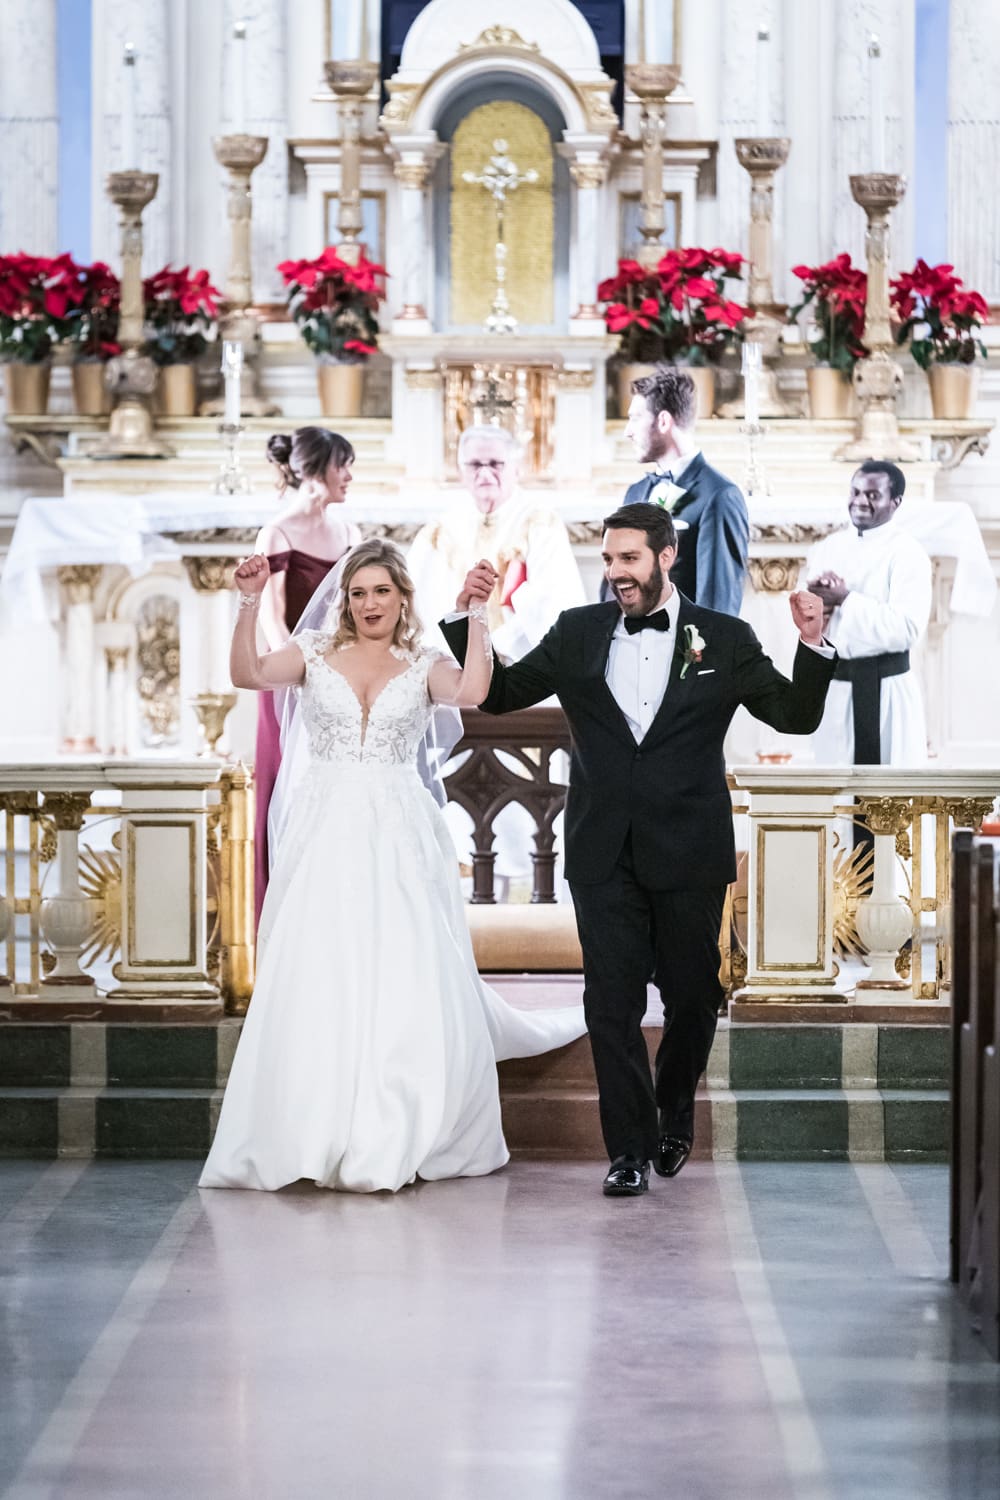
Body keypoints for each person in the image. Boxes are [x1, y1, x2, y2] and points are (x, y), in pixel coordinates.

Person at [441, 503, 835, 1198]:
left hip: (690, 848)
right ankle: (626, 1150)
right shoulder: (577, 632)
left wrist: (813, 643)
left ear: (666, 555)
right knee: (610, 1002)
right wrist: (471, 616)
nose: (616, 572)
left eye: (629, 559)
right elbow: (499, 695)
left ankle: (673, 1110)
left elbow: (795, 715)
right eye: (609, 559)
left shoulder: (725, 637)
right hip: (602, 850)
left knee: (693, 995)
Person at [201, 539, 585, 1193]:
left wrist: (478, 613)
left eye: (381, 591)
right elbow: (249, 674)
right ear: (344, 601)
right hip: (325, 827)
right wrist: (247, 600)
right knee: (324, 962)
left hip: (400, 826)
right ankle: (311, 1121)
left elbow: (473, 690)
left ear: (402, 597)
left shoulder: (423, 660)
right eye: (358, 592)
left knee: (403, 959)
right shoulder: (314, 653)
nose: (369, 603)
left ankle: (401, 1116)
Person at [253, 427, 361, 925]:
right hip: (290, 680)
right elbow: (271, 615)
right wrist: (297, 670)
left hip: (341, 678)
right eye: (343, 465)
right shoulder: (278, 532)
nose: (350, 476)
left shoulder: (349, 532)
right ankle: (284, 920)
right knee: (288, 790)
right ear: (317, 469)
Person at [407, 424, 585, 660]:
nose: (485, 473)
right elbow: (422, 598)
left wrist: (495, 647)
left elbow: (551, 597)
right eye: (474, 465)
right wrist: (459, 649)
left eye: (495, 464)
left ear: (516, 469)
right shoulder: (441, 529)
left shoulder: (539, 521)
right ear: (461, 471)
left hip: (519, 662)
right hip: (456, 662)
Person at [805, 459, 931, 765]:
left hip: (886, 690)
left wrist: (845, 599)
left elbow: (906, 629)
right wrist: (818, 607)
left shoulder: (907, 553)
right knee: (839, 801)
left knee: (888, 800)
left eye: (873, 495)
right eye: (855, 491)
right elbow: (808, 622)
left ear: (895, 502)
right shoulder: (826, 548)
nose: (860, 501)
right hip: (835, 690)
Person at [618, 364, 749, 616]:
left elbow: (717, 607)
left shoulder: (719, 496)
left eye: (635, 418)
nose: (628, 431)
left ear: (664, 421)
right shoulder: (635, 493)